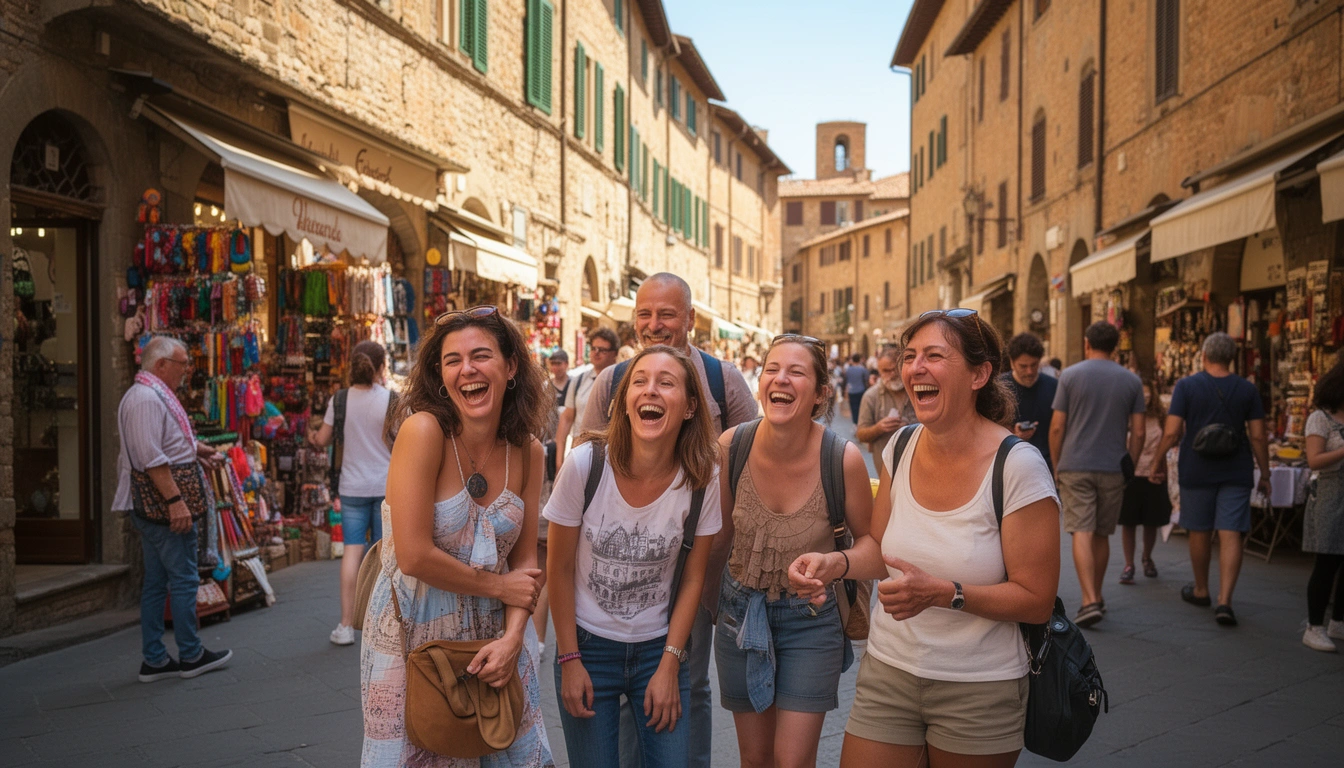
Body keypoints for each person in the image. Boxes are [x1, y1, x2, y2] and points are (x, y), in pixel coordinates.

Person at [789, 309, 1059, 767]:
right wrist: (837, 563)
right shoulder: (901, 446)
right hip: (888, 671)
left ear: (980, 374)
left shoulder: (1019, 467)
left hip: (979, 688)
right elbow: (880, 546)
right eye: (910, 356)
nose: (915, 368)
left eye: (934, 355)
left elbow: (1036, 599)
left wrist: (944, 594)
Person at [361, 306, 554, 767]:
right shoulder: (423, 432)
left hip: (496, 638)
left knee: (518, 754)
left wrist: (512, 640)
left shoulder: (528, 451)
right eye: (452, 360)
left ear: (510, 368)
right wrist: (499, 586)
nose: (467, 369)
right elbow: (413, 555)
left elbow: (526, 562)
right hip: (412, 634)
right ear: (441, 378)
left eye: (481, 355)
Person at [578, 273, 756, 768]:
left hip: (694, 566)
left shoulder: (724, 381)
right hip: (624, 564)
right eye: (644, 315)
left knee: (686, 682)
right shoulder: (612, 382)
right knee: (624, 688)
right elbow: (582, 463)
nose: (654, 325)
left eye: (667, 314)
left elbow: (755, 462)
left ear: (691, 320)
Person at [547, 345, 722, 768]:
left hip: (658, 650)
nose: (651, 391)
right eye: (640, 381)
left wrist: (670, 664)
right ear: (623, 402)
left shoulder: (702, 477)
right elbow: (558, 568)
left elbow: (694, 579)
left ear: (689, 407)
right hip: (586, 647)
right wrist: (569, 659)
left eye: (666, 382)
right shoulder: (585, 464)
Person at [714, 335, 873, 768]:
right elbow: (716, 539)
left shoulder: (843, 460)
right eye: (771, 369)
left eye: (796, 372)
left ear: (821, 392)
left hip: (811, 621)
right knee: (756, 760)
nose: (780, 379)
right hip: (738, 614)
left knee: (792, 761)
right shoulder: (732, 446)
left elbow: (874, 549)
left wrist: (833, 564)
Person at [114, 336, 232, 682]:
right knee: (182, 578)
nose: (186, 370)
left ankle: (155, 658)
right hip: (162, 507)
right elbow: (152, 458)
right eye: (182, 364)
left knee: (157, 580)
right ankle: (191, 654)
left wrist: (198, 450)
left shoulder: (152, 396)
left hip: (157, 506)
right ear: (161, 364)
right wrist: (175, 503)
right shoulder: (146, 400)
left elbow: (166, 441)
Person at [1152, 332, 1271, 628]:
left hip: (1197, 467)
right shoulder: (1247, 389)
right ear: (1232, 358)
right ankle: (1225, 601)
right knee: (1231, 532)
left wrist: (1157, 461)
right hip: (1236, 468)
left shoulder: (1187, 386)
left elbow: (1172, 431)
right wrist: (1265, 473)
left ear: (1203, 356)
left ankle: (1202, 589)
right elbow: (1257, 435)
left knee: (1199, 529)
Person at [1050, 321, 1145, 628]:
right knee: (1102, 533)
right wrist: (1130, 461)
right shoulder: (1131, 381)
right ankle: (1098, 594)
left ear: (1087, 343)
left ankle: (1089, 599)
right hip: (1113, 465)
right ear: (1115, 347)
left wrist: (1056, 462)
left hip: (1075, 464)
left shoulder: (1070, 375)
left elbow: (1057, 426)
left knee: (1081, 530)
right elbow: (1139, 431)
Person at [309, 340, 396, 645]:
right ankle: (381, 622)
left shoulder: (340, 399)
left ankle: (346, 625)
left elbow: (323, 439)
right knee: (385, 554)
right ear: (381, 366)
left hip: (351, 487)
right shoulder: (391, 399)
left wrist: (311, 434)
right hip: (386, 486)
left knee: (352, 552)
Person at [1301, 360, 1344, 651]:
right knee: (1327, 561)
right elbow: (1314, 460)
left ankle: (1339, 621)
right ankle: (1314, 626)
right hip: (1330, 494)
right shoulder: (1320, 418)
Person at [1117, 379, 1172, 585]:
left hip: (1154, 472)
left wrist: (1163, 469)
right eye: (1142, 394)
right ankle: (1129, 564)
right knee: (1128, 522)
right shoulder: (1127, 416)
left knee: (1152, 522)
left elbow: (1169, 440)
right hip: (1131, 472)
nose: (1145, 398)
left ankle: (1147, 558)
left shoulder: (1160, 416)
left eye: (1148, 394)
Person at [555, 328, 621, 464]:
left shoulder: (622, 381)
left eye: (602, 350)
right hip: (581, 455)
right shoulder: (578, 380)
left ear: (614, 353)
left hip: (612, 456)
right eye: (593, 348)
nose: (596, 353)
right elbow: (567, 418)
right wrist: (559, 460)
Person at [1002, 333, 1058, 474]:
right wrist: (1014, 435)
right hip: (1010, 467)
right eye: (1023, 366)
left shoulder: (1053, 386)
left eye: (1034, 365)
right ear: (1012, 363)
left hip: (1047, 467)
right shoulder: (1000, 388)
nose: (1029, 371)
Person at [856, 346, 917, 467]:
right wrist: (879, 428)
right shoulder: (871, 396)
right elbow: (861, 434)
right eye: (886, 371)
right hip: (886, 469)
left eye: (895, 369)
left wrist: (912, 427)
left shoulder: (918, 390)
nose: (892, 374)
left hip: (918, 464)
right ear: (879, 371)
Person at [844, 354, 868, 425]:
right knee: (861, 407)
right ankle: (861, 422)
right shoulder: (862, 369)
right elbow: (866, 379)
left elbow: (846, 380)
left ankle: (855, 423)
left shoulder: (848, 369)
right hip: (861, 390)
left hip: (851, 390)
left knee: (854, 408)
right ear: (859, 359)